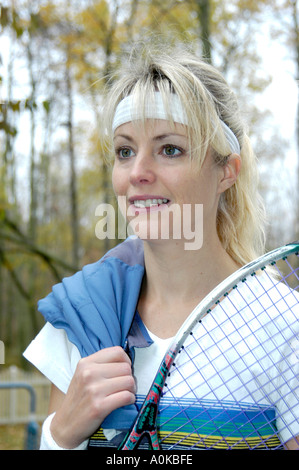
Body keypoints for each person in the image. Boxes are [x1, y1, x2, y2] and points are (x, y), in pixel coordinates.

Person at [23, 41, 299, 450]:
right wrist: (59, 435)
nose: (137, 173)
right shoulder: (81, 317)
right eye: (124, 151)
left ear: (226, 171)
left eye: (169, 149)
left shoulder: (285, 326)